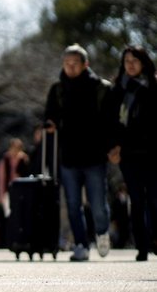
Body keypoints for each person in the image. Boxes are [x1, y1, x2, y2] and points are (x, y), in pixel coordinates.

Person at [43, 43, 118, 261]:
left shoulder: (100, 88)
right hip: (68, 156)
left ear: (86, 64)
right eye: (66, 64)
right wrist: (49, 125)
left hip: (95, 156)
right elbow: (51, 115)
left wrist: (113, 146)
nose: (70, 68)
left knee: (97, 205)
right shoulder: (58, 89)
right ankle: (81, 245)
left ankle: (102, 233)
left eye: (74, 64)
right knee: (73, 204)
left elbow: (111, 121)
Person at [109, 45, 157, 261]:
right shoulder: (118, 88)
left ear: (143, 62)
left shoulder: (153, 86)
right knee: (136, 200)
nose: (130, 64)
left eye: (134, 60)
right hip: (128, 153)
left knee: (154, 199)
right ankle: (142, 246)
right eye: (126, 60)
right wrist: (113, 146)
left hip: (152, 152)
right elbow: (110, 122)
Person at [0, 138, 30, 247]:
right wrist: (1, 195)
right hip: (8, 192)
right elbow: (1, 178)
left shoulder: (24, 158)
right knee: (9, 216)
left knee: (21, 216)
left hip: (22, 191)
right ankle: (8, 240)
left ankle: (20, 239)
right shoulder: (5, 160)